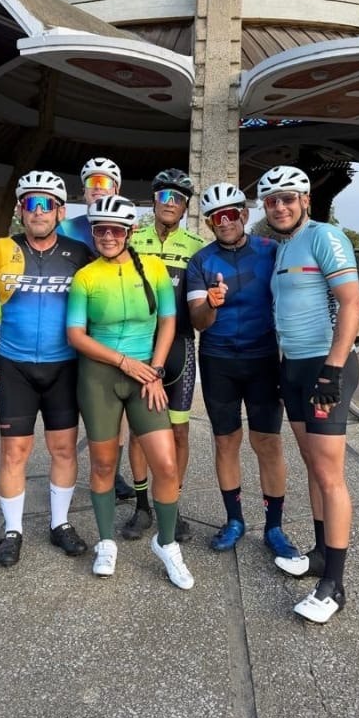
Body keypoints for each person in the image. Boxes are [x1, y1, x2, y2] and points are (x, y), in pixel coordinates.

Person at [66, 195, 194, 589]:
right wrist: (125, 363)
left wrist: (154, 370)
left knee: (167, 464)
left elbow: (169, 323)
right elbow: (75, 335)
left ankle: (167, 543)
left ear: (129, 232)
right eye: (99, 229)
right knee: (104, 465)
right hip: (100, 376)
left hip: (146, 375)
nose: (106, 236)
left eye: (114, 230)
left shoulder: (153, 268)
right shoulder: (86, 276)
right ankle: (107, 542)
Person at [257, 166, 359, 624]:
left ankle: (335, 584)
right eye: (271, 201)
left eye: (287, 198)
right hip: (293, 368)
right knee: (312, 466)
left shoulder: (325, 235)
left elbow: (351, 302)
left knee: (329, 474)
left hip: (324, 365)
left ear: (305, 201)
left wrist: (333, 370)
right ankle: (320, 553)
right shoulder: (283, 247)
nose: (279, 206)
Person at [0, 171, 93, 567]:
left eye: (46, 204)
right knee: (14, 452)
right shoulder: (3, 249)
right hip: (15, 366)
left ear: (60, 211)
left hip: (64, 366)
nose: (37, 211)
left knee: (63, 449)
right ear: (21, 211)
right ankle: (13, 530)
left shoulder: (80, 253)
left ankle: (60, 525)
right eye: (29, 203)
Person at [186, 182, 300, 560]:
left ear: (244, 215)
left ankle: (274, 526)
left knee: (267, 442)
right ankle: (234, 520)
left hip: (264, 359)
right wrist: (212, 304)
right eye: (216, 217)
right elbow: (199, 321)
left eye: (231, 214)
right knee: (226, 441)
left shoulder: (271, 251)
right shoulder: (201, 262)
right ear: (209, 223)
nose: (225, 222)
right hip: (218, 360)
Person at [123, 168, 204, 542]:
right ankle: (142, 507)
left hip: (179, 348)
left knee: (178, 430)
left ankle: (171, 504)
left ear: (186, 205)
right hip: (138, 346)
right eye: (164, 196)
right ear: (154, 200)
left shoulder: (196, 246)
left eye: (178, 198)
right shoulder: (131, 238)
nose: (171, 203)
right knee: (140, 430)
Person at [58, 156, 135, 502]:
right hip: (69, 331)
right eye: (91, 184)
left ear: (116, 188)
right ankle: (68, 475)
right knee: (68, 412)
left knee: (112, 411)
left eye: (104, 183)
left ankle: (112, 472)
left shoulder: (124, 228)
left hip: (106, 335)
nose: (97, 190)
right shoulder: (67, 227)